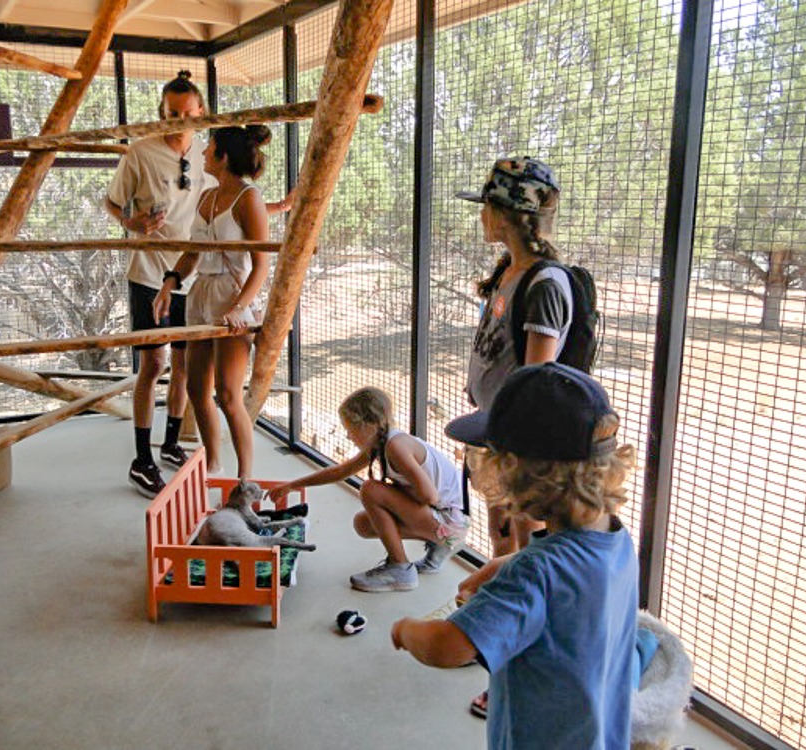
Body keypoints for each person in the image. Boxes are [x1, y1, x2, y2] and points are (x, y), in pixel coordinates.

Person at [391, 362, 638, 750]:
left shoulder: (534, 572)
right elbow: (569, 579)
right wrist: (501, 563)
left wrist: (406, 630)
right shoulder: (616, 540)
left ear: (522, 473)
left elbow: (448, 645)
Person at [457, 156, 572, 716]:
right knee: (505, 548)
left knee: (529, 560)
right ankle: (497, 649)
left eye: (487, 207)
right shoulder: (509, 272)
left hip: (523, 447)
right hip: (496, 435)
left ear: (505, 214)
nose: (482, 216)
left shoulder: (547, 283)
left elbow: (538, 381)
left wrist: (512, 442)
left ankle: (518, 668)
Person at [153, 125, 288, 481]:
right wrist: (170, 281)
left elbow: (261, 265)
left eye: (208, 147)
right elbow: (193, 253)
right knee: (197, 389)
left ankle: (246, 480)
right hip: (201, 295)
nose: (201, 153)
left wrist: (239, 308)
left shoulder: (250, 198)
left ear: (223, 156)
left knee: (228, 394)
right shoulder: (206, 197)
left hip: (234, 296)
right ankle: (213, 463)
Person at [104, 70, 214, 497]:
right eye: (171, 113)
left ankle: (169, 444)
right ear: (161, 112)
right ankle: (141, 457)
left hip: (191, 273)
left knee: (185, 366)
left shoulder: (209, 154)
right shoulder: (141, 153)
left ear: (200, 112)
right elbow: (111, 202)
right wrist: (132, 223)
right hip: (150, 272)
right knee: (153, 365)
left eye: (187, 114)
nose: (179, 121)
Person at [266, 387, 467, 592]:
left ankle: (400, 569)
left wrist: (393, 492)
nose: (348, 436)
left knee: (371, 489)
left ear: (368, 425)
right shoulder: (381, 442)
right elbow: (341, 471)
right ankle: (436, 548)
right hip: (445, 523)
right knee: (363, 524)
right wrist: (292, 485)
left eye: (350, 429)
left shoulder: (395, 445)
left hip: (450, 524)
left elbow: (430, 495)